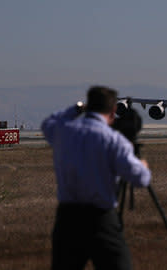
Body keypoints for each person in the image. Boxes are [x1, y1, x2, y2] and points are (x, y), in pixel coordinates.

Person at [41, 86, 151, 270]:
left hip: (67, 220)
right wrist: (143, 166)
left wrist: (76, 108)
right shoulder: (113, 140)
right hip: (101, 220)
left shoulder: (64, 132)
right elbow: (141, 179)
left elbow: (48, 123)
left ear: (88, 106)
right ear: (114, 110)